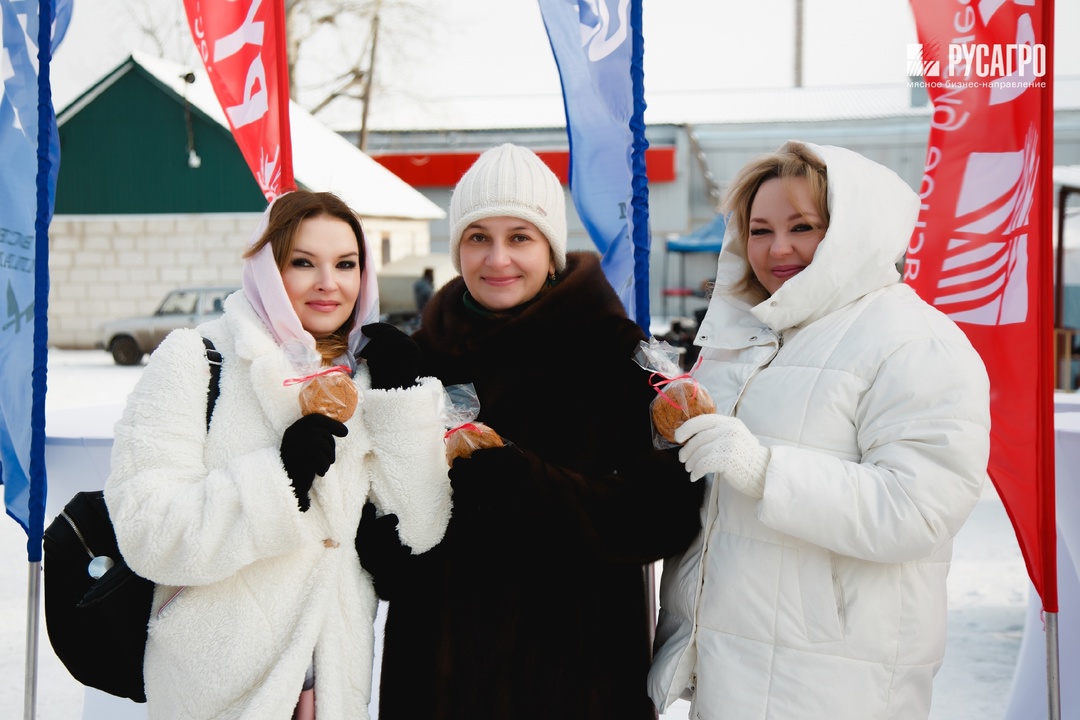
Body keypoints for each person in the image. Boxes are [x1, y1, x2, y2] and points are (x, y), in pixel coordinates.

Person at [355, 143, 705, 720]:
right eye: (477, 237)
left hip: (574, 679)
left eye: (520, 237)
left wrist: (529, 483)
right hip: (440, 683)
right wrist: (380, 538)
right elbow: (382, 520)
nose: (498, 259)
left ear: (551, 249)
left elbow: (664, 517)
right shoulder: (420, 359)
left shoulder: (617, 354)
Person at [647, 141, 992, 720]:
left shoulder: (915, 341)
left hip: (834, 682)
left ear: (851, 231)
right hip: (733, 666)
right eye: (759, 230)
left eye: (803, 227)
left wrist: (764, 470)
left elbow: (918, 510)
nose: (777, 249)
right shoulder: (747, 339)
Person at [104, 190, 451, 720]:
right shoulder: (198, 359)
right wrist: (278, 479)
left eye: (346, 264)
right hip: (219, 685)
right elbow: (145, 529)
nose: (328, 284)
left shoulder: (365, 377)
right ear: (268, 268)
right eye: (303, 263)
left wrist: (401, 403)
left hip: (333, 682)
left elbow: (420, 529)